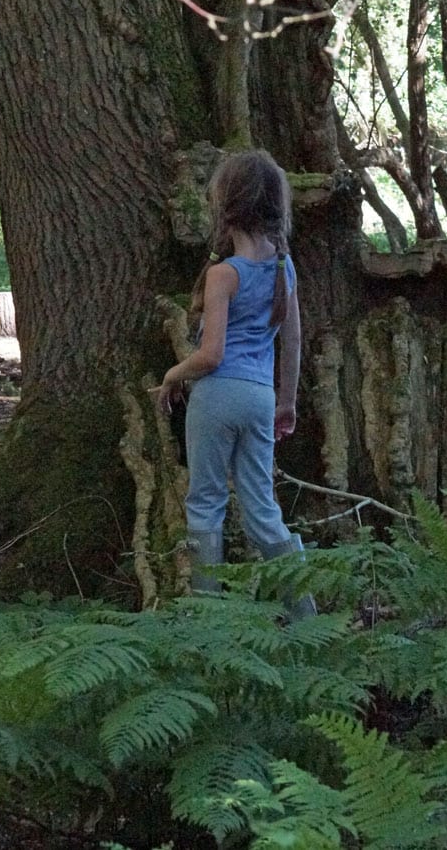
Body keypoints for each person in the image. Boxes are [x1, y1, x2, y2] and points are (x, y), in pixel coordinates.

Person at [154, 150, 316, 619]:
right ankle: (306, 615)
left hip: (217, 395)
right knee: (262, 506)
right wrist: (285, 403)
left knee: (205, 503)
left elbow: (211, 355)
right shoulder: (285, 270)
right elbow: (294, 340)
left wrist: (172, 374)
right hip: (261, 398)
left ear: (226, 207)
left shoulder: (223, 274)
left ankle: (210, 619)